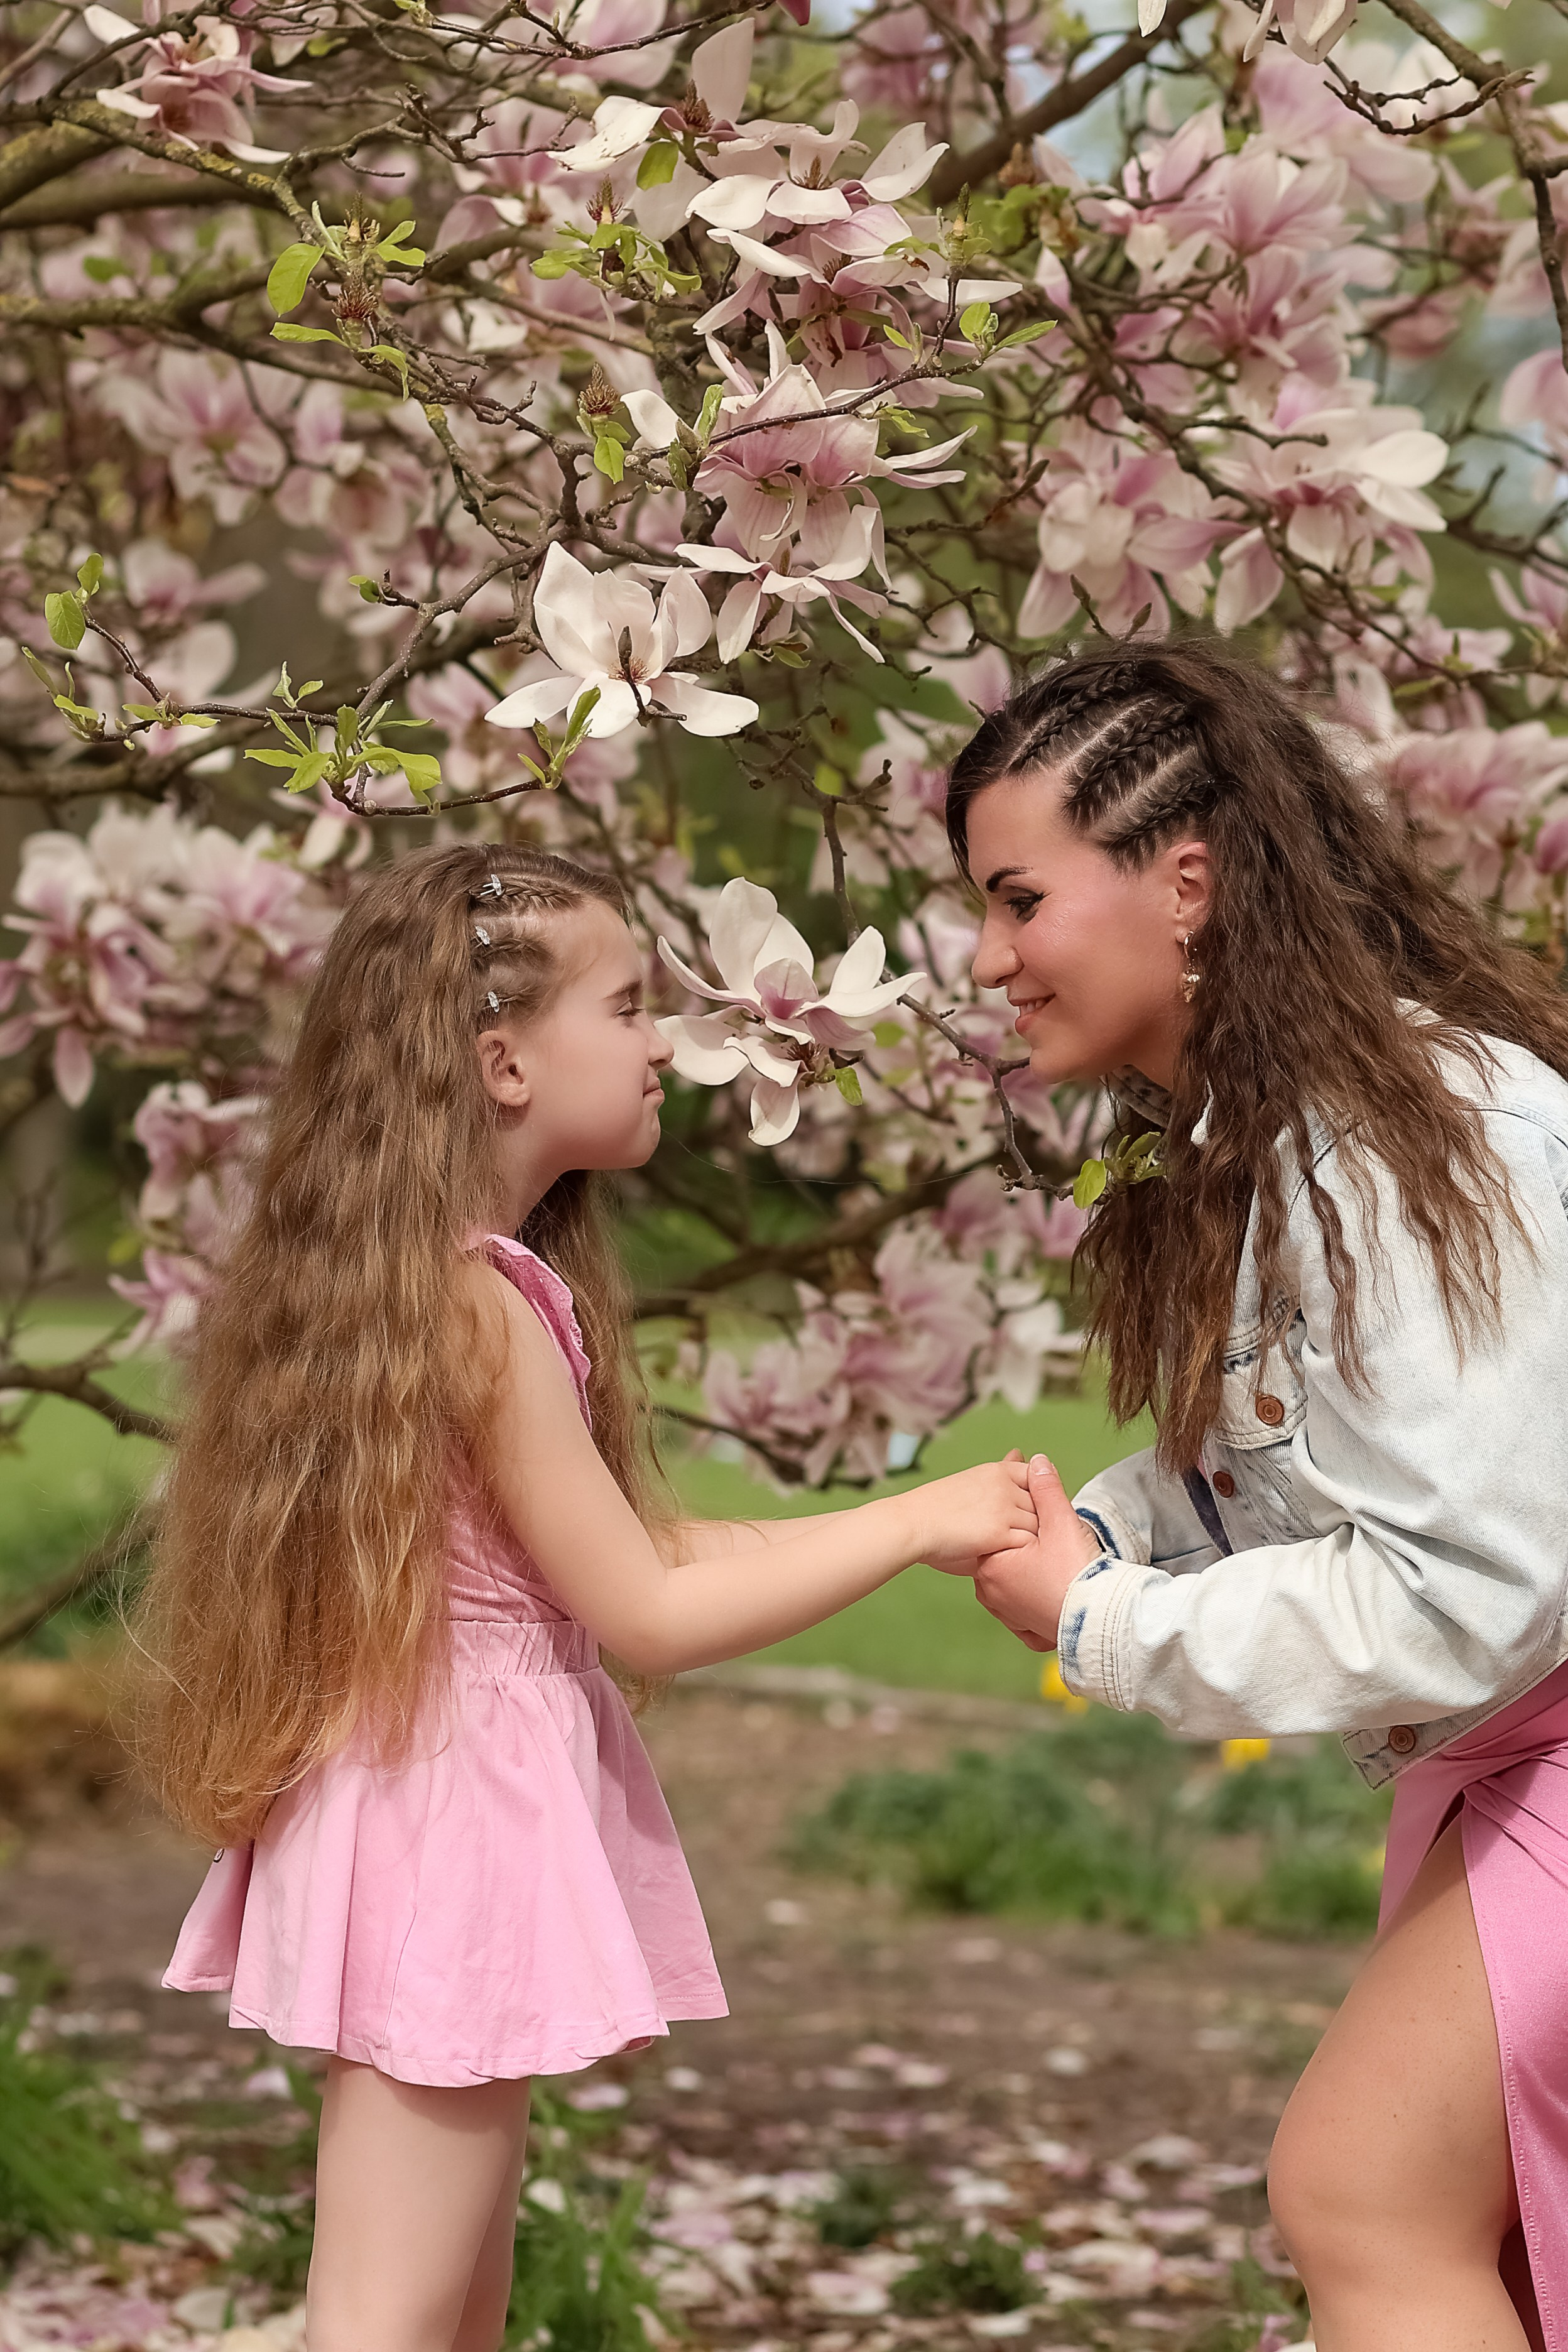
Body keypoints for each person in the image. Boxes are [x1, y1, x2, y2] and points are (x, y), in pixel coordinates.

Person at [135, 842, 1038, 2352]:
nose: (663, 1042)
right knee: (384, 2323)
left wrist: (919, 1518)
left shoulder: (456, 1283)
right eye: (627, 1007)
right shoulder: (472, 1308)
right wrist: (911, 1526)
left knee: (448, 2316)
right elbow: (651, 1615)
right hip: (452, 1831)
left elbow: (641, 1555)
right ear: (502, 1061)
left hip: (434, 1808)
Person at [942, 640, 1568, 2352]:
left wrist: (1101, 1619)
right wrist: (1130, 1522)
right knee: (1428, 2209)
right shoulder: (1309, 1134)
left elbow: (1468, 1587)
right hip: (1511, 1758)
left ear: (1188, 882)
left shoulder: (1398, 1145)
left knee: (1365, 2189)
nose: (988, 958)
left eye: (1017, 899)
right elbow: (1336, 1459)